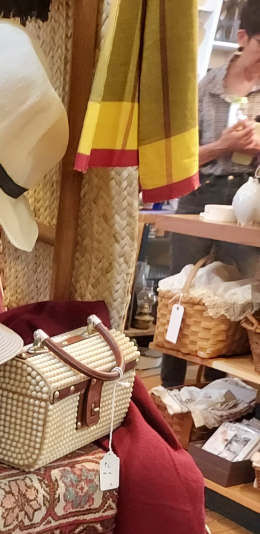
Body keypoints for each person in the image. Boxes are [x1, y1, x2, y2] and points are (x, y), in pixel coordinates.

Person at [161, 0, 260, 387]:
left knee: (240, 297)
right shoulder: (204, 87)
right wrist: (222, 146)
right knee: (180, 291)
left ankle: (222, 394)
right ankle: (170, 389)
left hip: (249, 201)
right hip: (199, 194)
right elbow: (179, 157)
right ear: (242, 37)